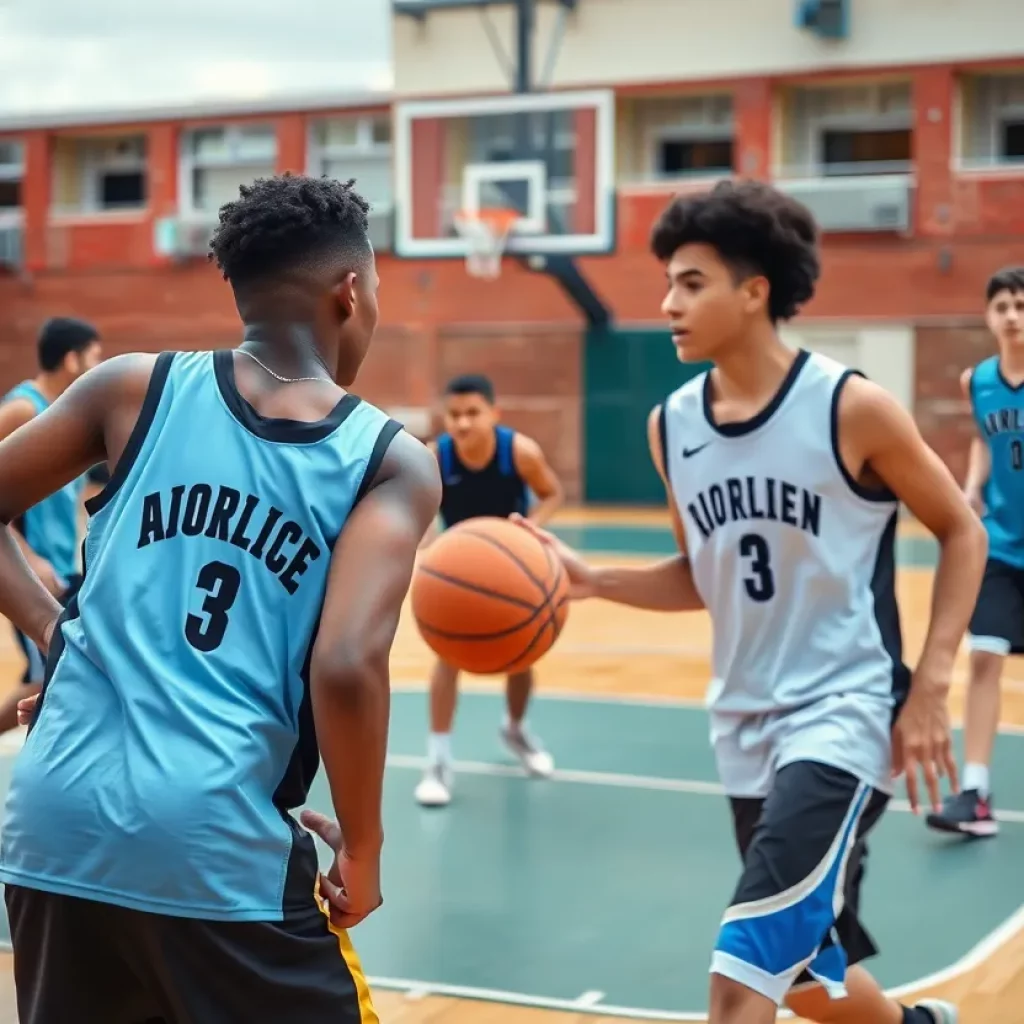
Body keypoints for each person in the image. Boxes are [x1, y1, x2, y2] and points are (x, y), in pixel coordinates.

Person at [516, 180, 983, 1024]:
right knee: (805, 975)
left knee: (740, 979)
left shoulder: (851, 407)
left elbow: (962, 530)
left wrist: (932, 686)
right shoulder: (674, 426)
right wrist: (594, 582)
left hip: (844, 717)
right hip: (742, 724)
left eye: (691, 283)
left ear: (755, 290)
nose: (667, 303)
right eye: (668, 283)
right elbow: (710, 573)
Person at [0, 173, 441, 1024]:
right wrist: (366, 842)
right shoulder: (386, 457)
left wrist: (51, 630)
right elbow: (346, 665)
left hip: (54, 825)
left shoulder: (131, 389)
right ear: (351, 292)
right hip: (215, 848)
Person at [414, 373, 564, 807]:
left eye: (473, 413)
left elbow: (552, 493)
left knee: (522, 651)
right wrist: (427, 544)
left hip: (511, 571)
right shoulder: (435, 456)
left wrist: (528, 535)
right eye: (454, 414)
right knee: (447, 655)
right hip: (460, 569)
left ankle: (514, 730)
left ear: (493, 414)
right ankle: (438, 759)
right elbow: (422, 509)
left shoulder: (519, 451)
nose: (462, 423)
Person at [926, 266, 1024, 839]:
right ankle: (976, 791)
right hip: (1002, 548)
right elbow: (983, 438)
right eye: (1002, 306)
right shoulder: (978, 381)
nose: (1012, 315)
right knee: (983, 658)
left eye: (1020, 304)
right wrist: (969, 486)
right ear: (989, 317)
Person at [0, 316, 102, 733]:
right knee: (55, 676)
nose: (101, 365)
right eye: (96, 356)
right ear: (72, 359)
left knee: (61, 673)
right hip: (33, 573)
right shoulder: (24, 407)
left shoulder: (69, 416)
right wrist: (29, 557)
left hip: (63, 570)